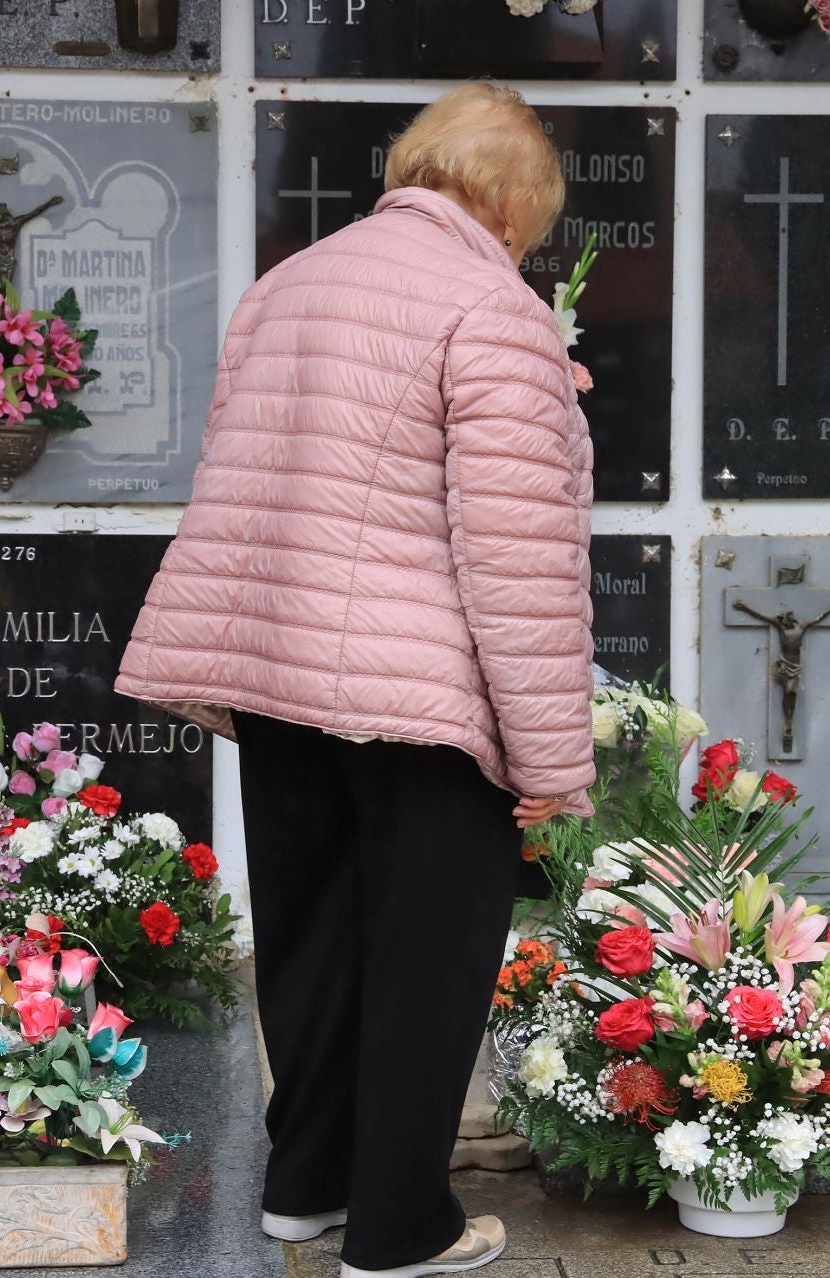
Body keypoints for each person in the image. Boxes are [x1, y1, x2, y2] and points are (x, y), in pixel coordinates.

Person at [116, 83, 595, 1278]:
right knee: (428, 961)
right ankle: (401, 1230)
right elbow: (517, 561)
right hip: (417, 703)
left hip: (279, 680)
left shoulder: (289, 286)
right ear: (515, 203)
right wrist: (548, 764)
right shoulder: (492, 306)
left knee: (310, 937)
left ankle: (305, 1184)